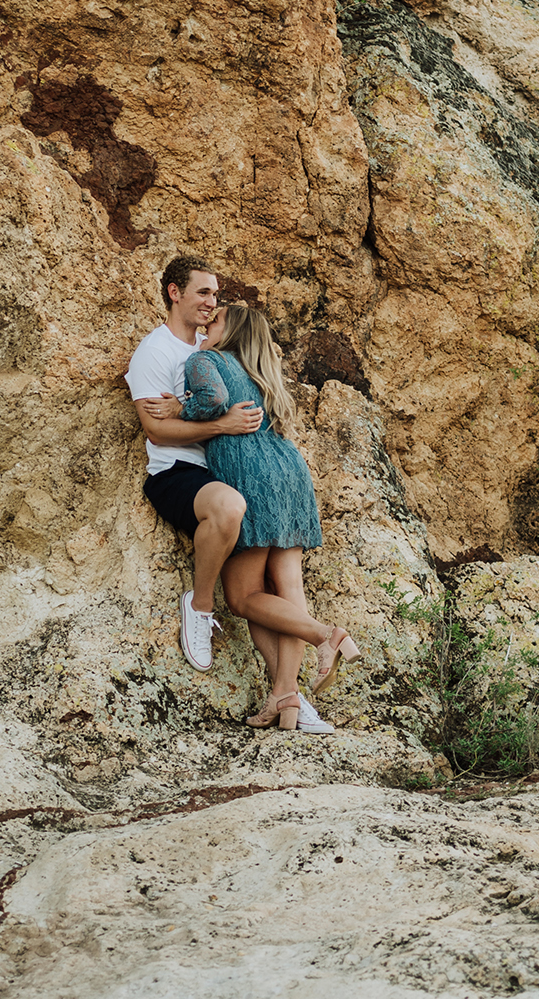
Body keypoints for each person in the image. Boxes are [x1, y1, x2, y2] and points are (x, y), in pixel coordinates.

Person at [181, 304, 361, 730]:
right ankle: (286, 697)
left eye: (217, 320)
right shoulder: (261, 370)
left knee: (243, 597)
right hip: (288, 472)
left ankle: (325, 635)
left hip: (249, 474)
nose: (207, 324)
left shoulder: (205, 359)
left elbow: (212, 400)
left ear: (232, 331)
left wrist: (177, 410)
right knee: (286, 587)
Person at [126, 255, 261, 673]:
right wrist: (224, 424)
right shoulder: (154, 352)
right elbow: (157, 432)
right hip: (176, 473)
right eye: (203, 292)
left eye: (215, 294)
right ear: (174, 293)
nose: (211, 302)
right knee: (229, 507)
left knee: (267, 576)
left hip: (227, 468)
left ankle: (288, 693)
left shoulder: (213, 347)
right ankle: (200, 606)